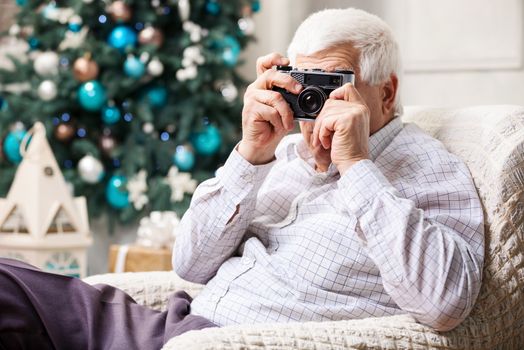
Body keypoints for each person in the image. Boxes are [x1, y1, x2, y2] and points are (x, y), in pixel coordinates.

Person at [0, 7, 484, 350]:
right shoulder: (286, 154)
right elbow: (190, 263)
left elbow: (445, 303)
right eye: (305, 86)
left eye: (333, 85)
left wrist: (357, 165)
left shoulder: (429, 168)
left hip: (225, 343)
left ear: (387, 91)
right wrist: (252, 154)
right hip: (173, 324)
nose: (315, 107)